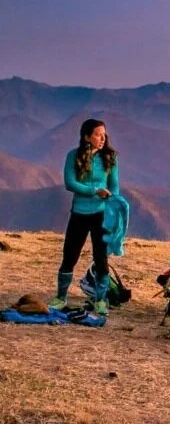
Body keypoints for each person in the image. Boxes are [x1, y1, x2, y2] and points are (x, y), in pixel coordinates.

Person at [48, 118, 119, 315]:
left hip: (101, 214)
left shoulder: (110, 157)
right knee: (70, 255)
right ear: (87, 136)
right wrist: (95, 190)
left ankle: (101, 300)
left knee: (101, 258)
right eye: (98, 134)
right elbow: (70, 183)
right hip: (79, 213)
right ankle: (61, 297)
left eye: (104, 134)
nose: (102, 138)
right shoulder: (73, 155)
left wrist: (113, 200)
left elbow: (114, 186)